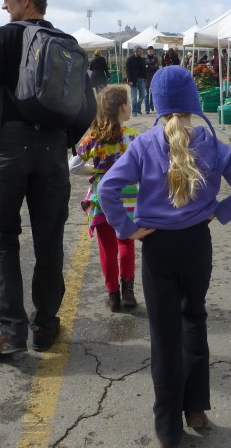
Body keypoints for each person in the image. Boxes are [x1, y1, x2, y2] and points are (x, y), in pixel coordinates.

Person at [97, 65, 231, 448]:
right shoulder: (210, 142)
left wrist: (126, 229)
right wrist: (218, 211)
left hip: (157, 247)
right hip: (196, 245)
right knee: (195, 321)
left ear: (157, 103)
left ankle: (168, 427)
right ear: (192, 102)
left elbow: (108, 189)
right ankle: (197, 409)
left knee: (164, 335)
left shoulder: (142, 144)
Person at [0, 0, 96, 356]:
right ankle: (45, 326)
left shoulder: (3, 36)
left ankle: (13, 334)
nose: (3, 5)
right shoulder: (67, 43)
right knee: (49, 241)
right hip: (51, 152)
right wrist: (63, 141)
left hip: (8, 148)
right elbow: (86, 106)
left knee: (3, 240)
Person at [70, 86, 139, 311]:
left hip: (102, 200)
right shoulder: (133, 137)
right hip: (128, 200)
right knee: (126, 242)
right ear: (122, 107)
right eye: (128, 102)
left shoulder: (93, 138)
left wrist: (94, 171)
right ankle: (128, 290)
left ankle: (112, 295)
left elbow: (74, 166)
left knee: (107, 248)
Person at [126, 46, 147, 116]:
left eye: (141, 51)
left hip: (141, 79)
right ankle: (134, 111)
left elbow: (144, 69)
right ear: (134, 51)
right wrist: (129, 80)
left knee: (142, 96)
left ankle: (138, 108)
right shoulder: (130, 59)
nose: (140, 52)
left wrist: (145, 77)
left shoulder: (142, 59)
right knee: (134, 97)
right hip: (133, 80)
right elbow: (128, 70)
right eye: (138, 51)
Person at [145, 46, 160, 114]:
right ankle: (147, 109)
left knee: (152, 94)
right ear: (147, 51)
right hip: (146, 78)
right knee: (146, 94)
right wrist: (151, 66)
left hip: (153, 77)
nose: (151, 52)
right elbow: (145, 68)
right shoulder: (144, 58)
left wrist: (149, 66)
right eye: (149, 51)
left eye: (152, 51)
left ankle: (152, 106)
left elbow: (156, 67)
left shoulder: (155, 58)